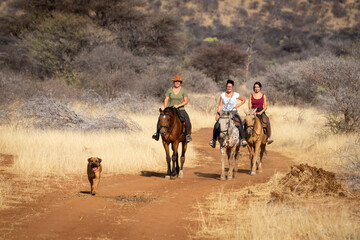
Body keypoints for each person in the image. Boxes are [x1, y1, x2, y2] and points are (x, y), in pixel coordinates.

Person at [152, 75, 192, 142]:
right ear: (174, 82)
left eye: (178, 82)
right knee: (161, 119)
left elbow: (186, 101)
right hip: (170, 109)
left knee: (187, 119)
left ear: (180, 83)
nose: (177, 83)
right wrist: (165, 109)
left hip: (180, 109)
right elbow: (166, 99)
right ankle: (157, 134)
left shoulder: (183, 90)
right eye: (176, 81)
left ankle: (187, 135)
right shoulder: (170, 90)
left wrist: (178, 105)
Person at [209, 79, 247, 148]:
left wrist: (238, 105)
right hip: (224, 113)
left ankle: (243, 139)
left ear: (232, 87)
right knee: (217, 124)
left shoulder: (236, 94)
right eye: (227, 86)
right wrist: (217, 113)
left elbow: (244, 100)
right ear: (226, 87)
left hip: (233, 112)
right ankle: (214, 140)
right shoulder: (222, 95)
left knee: (240, 122)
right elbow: (220, 105)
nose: (229, 88)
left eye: (230, 87)